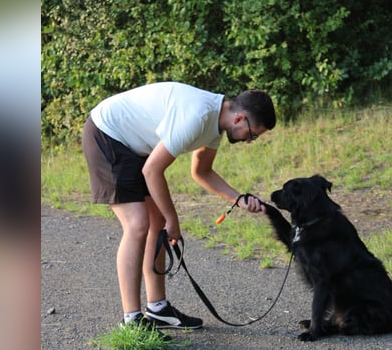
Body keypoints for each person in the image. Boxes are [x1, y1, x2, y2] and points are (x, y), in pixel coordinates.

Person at [82, 81, 276, 333]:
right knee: (138, 224)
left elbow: (202, 172)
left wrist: (238, 199)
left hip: (133, 145)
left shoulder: (215, 125)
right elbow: (152, 170)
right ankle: (131, 321)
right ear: (240, 118)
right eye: (251, 135)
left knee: (156, 224)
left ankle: (158, 309)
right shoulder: (197, 115)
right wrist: (172, 219)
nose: (249, 141)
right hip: (107, 133)